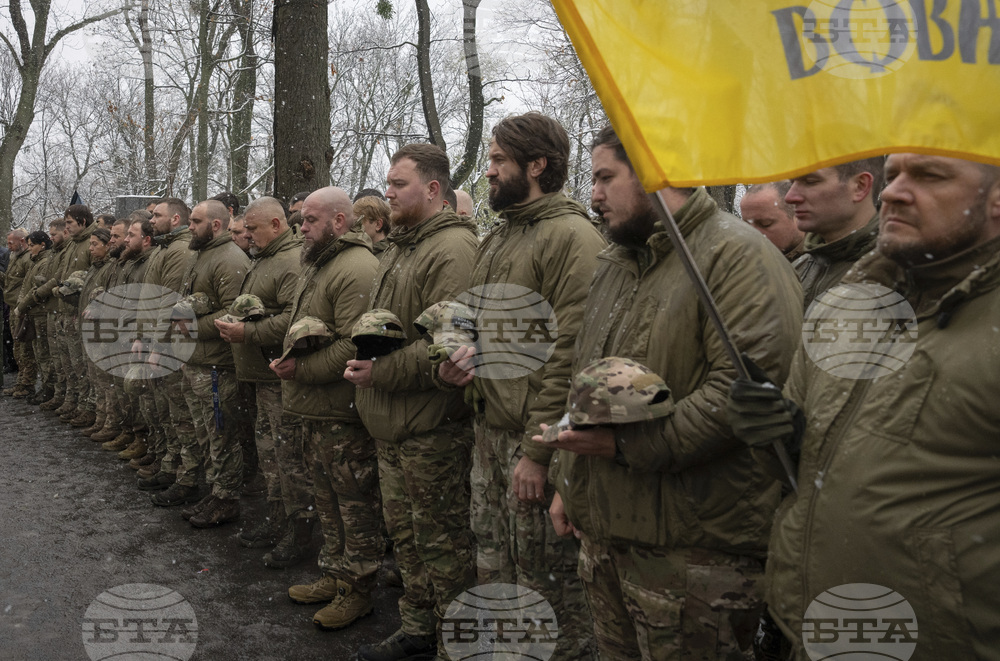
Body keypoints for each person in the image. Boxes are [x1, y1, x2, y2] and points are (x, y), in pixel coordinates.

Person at [542, 125, 802, 660]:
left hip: (694, 557)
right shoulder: (618, 263)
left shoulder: (735, 257)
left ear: (657, 172)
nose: (592, 193)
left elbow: (742, 395)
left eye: (605, 177)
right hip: (612, 537)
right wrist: (570, 482)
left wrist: (623, 449)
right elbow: (587, 379)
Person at [728, 153, 1000, 661]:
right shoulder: (849, 303)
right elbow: (808, 475)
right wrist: (780, 436)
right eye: (894, 175)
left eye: (929, 176)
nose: (894, 191)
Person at [437, 112, 605, 660]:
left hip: (534, 444)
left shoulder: (571, 237)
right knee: (497, 570)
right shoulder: (502, 234)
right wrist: (453, 366)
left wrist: (538, 451)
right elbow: (476, 324)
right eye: (488, 160)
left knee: (545, 590)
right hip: (491, 429)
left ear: (537, 165)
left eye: (498, 161)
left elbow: (571, 356)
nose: (488, 172)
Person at [348, 143, 478, 661]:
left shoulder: (452, 251)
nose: (388, 192)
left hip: (432, 428)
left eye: (398, 184)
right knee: (408, 540)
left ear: (432, 189)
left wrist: (379, 371)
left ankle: (455, 641)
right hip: (392, 424)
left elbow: (449, 346)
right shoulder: (401, 247)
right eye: (388, 182)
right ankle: (419, 626)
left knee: (443, 545)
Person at [270, 186, 382, 631]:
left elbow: (354, 345)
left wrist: (299, 369)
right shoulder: (320, 264)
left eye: (311, 220)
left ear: (340, 222)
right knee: (328, 501)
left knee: (354, 505)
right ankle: (335, 576)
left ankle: (359, 590)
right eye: (302, 221)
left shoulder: (356, 268)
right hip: (317, 410)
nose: (303, 228)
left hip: (342, 413)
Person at [215, 197, 312, 558]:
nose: (247, 236)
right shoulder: (266, 259)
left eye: (252, 229)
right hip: (261, 375)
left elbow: (292, 319)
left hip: (278, 377)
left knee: (287, 459)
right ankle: (277, 520)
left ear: (276, 224)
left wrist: (248, 334)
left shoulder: (288, 261)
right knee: (271, 456)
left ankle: (299, 532)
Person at [163, 199, 250, 525]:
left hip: (217, 366)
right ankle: (215, 492)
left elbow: (234, 314)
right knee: (206, 434)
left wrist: (189, 328)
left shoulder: (229, 260)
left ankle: (227, 498)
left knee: (221, 435)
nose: (190, 227)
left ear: (216, 225)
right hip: (197, 361)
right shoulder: (202, 254)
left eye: (196, 221)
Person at [135, 198, 194, 492]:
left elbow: (168, 303)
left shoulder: (179, 250)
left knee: (178, 414)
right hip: (155, 342)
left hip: (170, 347)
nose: (151, 219)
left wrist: (157, 345)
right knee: (164, 410)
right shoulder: (164, 248)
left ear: (174, 219)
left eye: (157, 215)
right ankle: (168, 462)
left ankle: (181, 473)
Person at [785, 158, 883, 308]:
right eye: (792, 183)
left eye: (810, 181)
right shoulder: (797, 269)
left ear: (859, 186)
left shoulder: (899, 274)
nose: (790, 197)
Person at [13, 232, 54, 403]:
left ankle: (47, 388)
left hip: (39, 312)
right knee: (37, 353)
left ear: (42, 245)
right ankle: (44, 388)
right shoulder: (35, 261)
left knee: (43, 355)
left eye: (32, 245)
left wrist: (22, 306)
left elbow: (37, 289)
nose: (29, 249)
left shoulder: (44, 262)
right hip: (32, 312)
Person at [2, 230, 34, 398]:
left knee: (25, 349)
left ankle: (27, 384)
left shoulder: (28, 259)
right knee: (17, 348)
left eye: (11, 243)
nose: (9, 247)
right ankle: (21, 382)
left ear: (22, 241)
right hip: (12, 306)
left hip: (21, 309)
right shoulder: (14, 257)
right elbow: (10, 281)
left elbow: (28, 284)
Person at [740, 181, 805, 261]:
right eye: (746, 225)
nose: (753, 234)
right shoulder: (740, 265)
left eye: (765, 224)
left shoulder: (822, 264)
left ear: (797, 216)